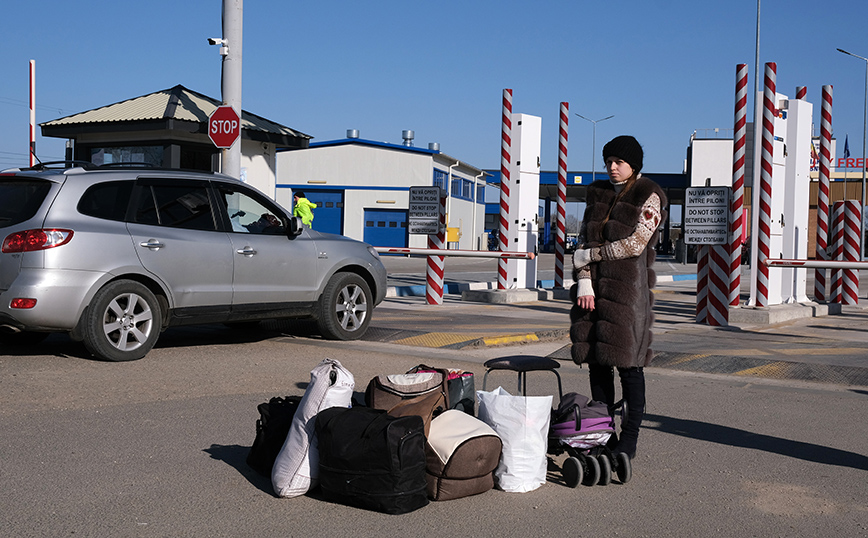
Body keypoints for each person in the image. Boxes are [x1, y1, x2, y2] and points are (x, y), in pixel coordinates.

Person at [569, 135, 667, 461]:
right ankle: (602, 432)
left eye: (618, 162)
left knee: (629, 367)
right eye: (608, 161)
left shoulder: (648, 196)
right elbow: (581, 246)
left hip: (628, 296)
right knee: (598, 367)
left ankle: (630, 439)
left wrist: (591, 256)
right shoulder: (597, 196)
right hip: (593, 295)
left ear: (633, 165)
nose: (612, 167)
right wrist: (584, 282)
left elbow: (635, 244)